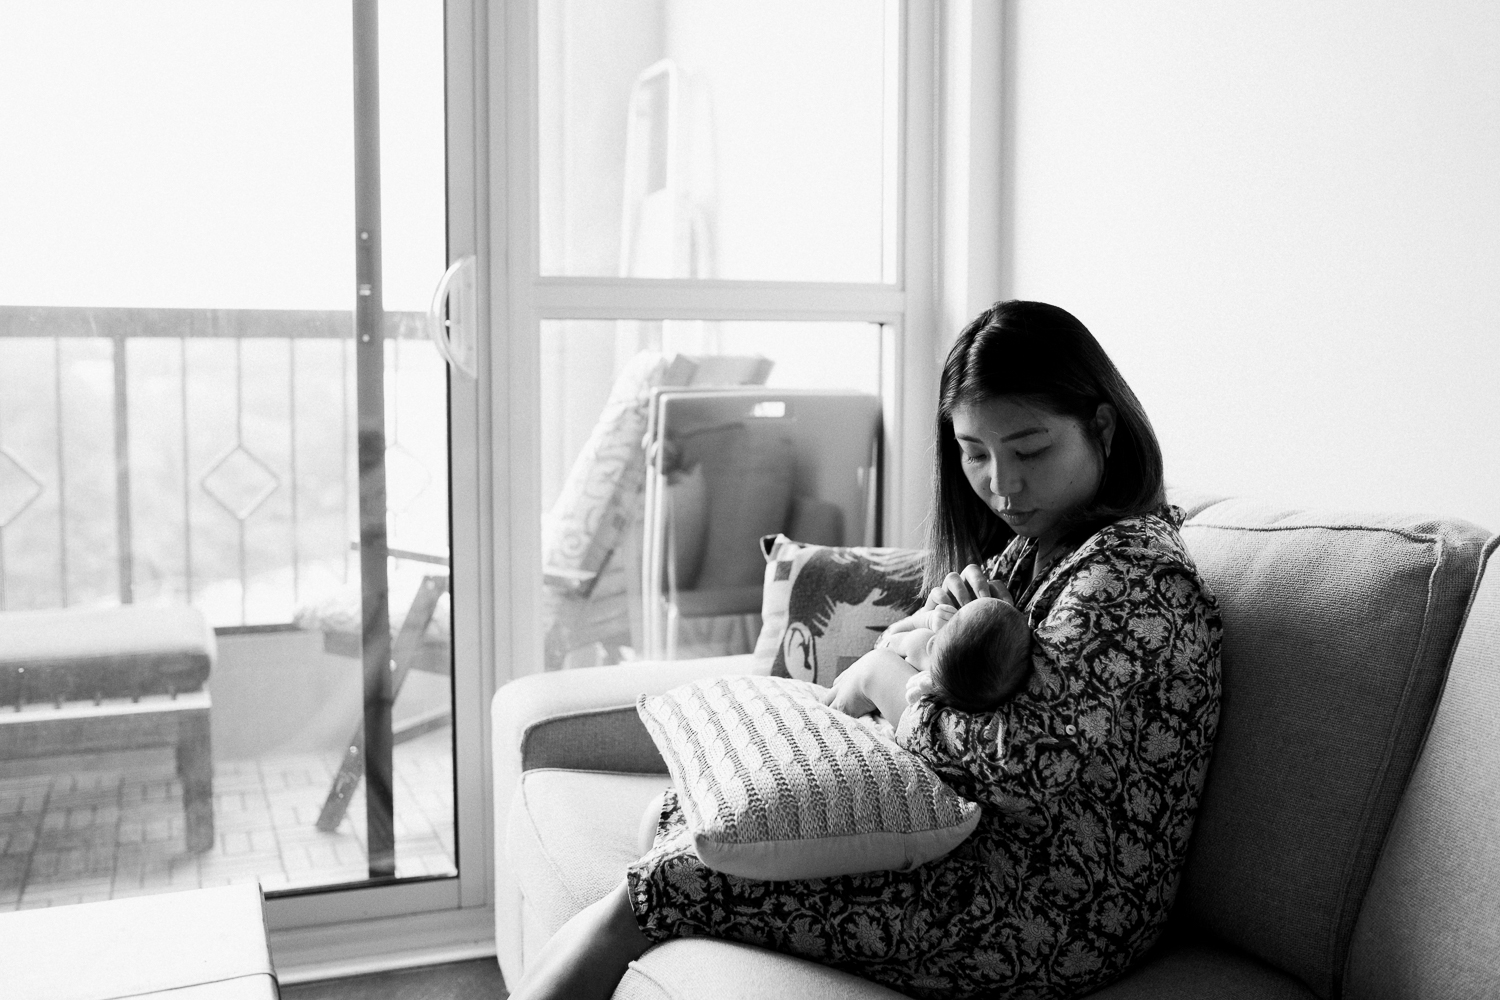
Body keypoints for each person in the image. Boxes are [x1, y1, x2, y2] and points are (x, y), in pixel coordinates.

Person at [512, 300, 1223, 1000]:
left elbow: (1030, 766)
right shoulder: (1039, 550)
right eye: (975, 453)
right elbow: (950, 651)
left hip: (1051, 910)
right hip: (977, 848)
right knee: (686, 823)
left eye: (1030, 449)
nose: (1002, 484)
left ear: (1100, 426)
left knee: (652, 893)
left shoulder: (1131, 572)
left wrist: (894, 682)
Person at [877, 589, 1033, 712]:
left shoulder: (920, 641)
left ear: (932, 644)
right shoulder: (970, 693)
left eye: (957, 615)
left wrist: (927, 618)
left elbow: (885, 643)